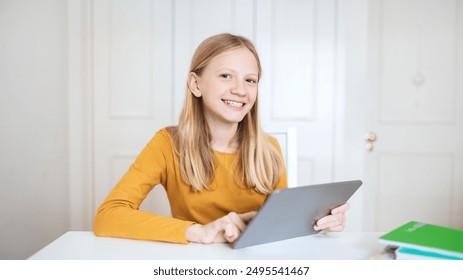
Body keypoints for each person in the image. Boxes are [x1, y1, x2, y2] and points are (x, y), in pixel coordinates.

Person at [93, 33, 350, 244]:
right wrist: (198, 231)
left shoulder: (269, 149)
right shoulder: (167, 144)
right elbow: (108, 216)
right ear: (196, 84)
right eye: (226, 75)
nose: (240, 89)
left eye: (250, 80)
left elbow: (280, 227)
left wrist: (319, 221)